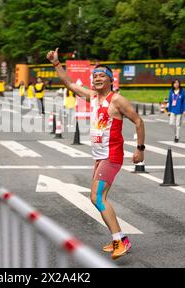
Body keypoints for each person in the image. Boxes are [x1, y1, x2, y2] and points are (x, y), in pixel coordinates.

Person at [47, 48, 145, 260]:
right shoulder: (92, 97)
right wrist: (56, 64)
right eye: (95, 76)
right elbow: (69, 84)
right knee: (100, 197)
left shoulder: (117, 100)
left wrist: (140, 149)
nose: (97, 78)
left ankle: (121, 240)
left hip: (112, 156)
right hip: (100, 156)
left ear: (110, 80)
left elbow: (138, 121)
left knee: (96, 197)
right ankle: (117, 238)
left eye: (102, 76)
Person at [167, 79, 185, 143]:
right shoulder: (171, 91)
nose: (176, 84)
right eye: (175, 83)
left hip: (180, 110)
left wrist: (184, 110)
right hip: (172, 109)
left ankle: (177, 137)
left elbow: (184, 101)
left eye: (177, 83)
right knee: (171, 124)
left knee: (178, 124)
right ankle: (176, 134)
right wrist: (169, 110)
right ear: (173, 84)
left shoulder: (182, 91)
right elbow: (170, 101)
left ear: (179, 84)